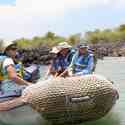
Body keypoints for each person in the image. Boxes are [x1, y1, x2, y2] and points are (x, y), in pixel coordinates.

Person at [0, 42, 32, 111]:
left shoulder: (1, 59)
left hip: (4, 89)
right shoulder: (8, 60)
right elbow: (13, 77)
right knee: (33, 88)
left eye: (16, 49)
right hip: (13, 89)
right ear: (7, 51)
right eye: (13, 49)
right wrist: (29, 84)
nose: (16, 51)